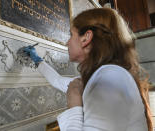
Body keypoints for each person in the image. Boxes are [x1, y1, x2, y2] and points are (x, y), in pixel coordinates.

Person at [23, 8, 153, 131]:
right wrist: (36, 59)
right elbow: (57, 80)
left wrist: (74, 105)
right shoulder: (102, 76)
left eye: (71, 35)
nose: (67, 42)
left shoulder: (109, 77)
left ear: (86, 38)